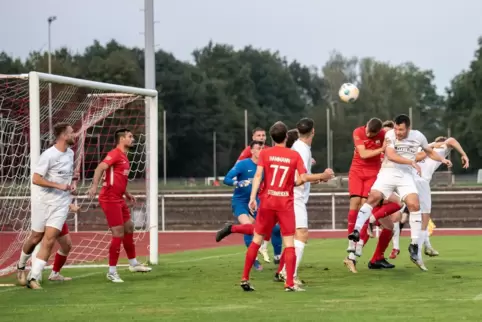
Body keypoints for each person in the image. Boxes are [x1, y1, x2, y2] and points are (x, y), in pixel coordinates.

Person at [218, 121, 334, 292]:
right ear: (286, 137)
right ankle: (289, 284)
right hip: (285, 203)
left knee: (257, 240)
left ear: (271, 138)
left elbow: (258, 176)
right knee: (289, 243)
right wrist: (322, 175)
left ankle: (244, 278)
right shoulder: (293, 155)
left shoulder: (266, 154)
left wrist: (252, 197)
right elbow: (301, 178)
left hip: (267, 201)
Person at [348, 114, 452, 270]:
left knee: (414, 204)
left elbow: (429, 151)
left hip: (405, 176)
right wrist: (411, 161)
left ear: (408, 128)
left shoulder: (418, 136)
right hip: (388, 173)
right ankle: (356, 232)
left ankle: (414, 245)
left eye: (401, 129)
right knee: (373, 197)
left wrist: (442, 160)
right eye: (396, 128)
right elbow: (391, 155)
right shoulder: (390, 135)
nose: (397, 132)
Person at [16, 122, 76, 289]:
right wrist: (58, 186)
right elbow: (36, 179)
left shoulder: (70, 154)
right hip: (43, 203)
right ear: (63, 136)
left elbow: (67, 178)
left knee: (49, 241)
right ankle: (20, 266)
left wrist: (71, 188)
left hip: (60, 205)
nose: (74, 135)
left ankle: (33, 278)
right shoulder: (49, 155)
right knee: (35, 237)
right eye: (71, 132)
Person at [87, 128, 151, 283]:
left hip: (119, 198)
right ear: (122, 139)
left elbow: (118, 179)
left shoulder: (124, 157)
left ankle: (133, 263)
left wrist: (127, 193)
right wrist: (94, 186)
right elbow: (100, 168)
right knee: (118, 233)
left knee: (129, 227)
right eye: (130, 136)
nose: (132, 139)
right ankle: (111, 271)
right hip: (109, 198)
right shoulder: (115, 153)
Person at [410, 136, 469, 269]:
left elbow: (417, 157)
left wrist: (431, 147)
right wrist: (464, 154)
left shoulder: (426, 146)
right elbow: (452, 140)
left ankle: (426, 246)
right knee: (424, 218)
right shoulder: (443, 146)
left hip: (409, 181)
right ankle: (417, 253)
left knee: (412, 216)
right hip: (421, 181)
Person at [344, 118, 386, 272]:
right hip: (357, 170)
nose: (368, 134)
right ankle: (351, 243)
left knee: (365, 205)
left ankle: (359, 242)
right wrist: (381, 149)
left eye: (372, 133)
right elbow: (362, 154)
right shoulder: (358, 131)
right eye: (368, 130)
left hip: (372, 172)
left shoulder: (383, 134)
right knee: (354, 203)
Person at [277, 118, 316, 285]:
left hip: (292, 195)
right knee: (302, 234)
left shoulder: (301, 147)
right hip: (295, 196)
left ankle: (285, 270)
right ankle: (289, 274)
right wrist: (322, 176)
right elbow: (299, 178)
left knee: (292, 236)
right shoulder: (301, 149)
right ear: (313, 131)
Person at [236, 127, 281, 264]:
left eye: (263, 135)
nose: (261, 137)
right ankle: (254, 256)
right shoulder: (247, 152)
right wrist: (242, 182)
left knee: (274, 225)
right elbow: (237, 168)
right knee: (251, 226)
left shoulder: (267, 149)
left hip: (264, 193)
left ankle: (275, 254)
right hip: (251, 195)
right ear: (253, 137)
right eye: (258, 135)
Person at [222, 140, 266, 270]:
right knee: (247, 227)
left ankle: (276, 256)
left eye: (262, 148)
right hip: (240, 202)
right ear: (252, 151)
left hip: (256, 202)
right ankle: (254, 260)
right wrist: (238, 183)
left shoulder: (265, 166)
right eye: (258, 148)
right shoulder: (243, 164)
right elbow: (226, 179)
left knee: (263, 229)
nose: (261, 151)